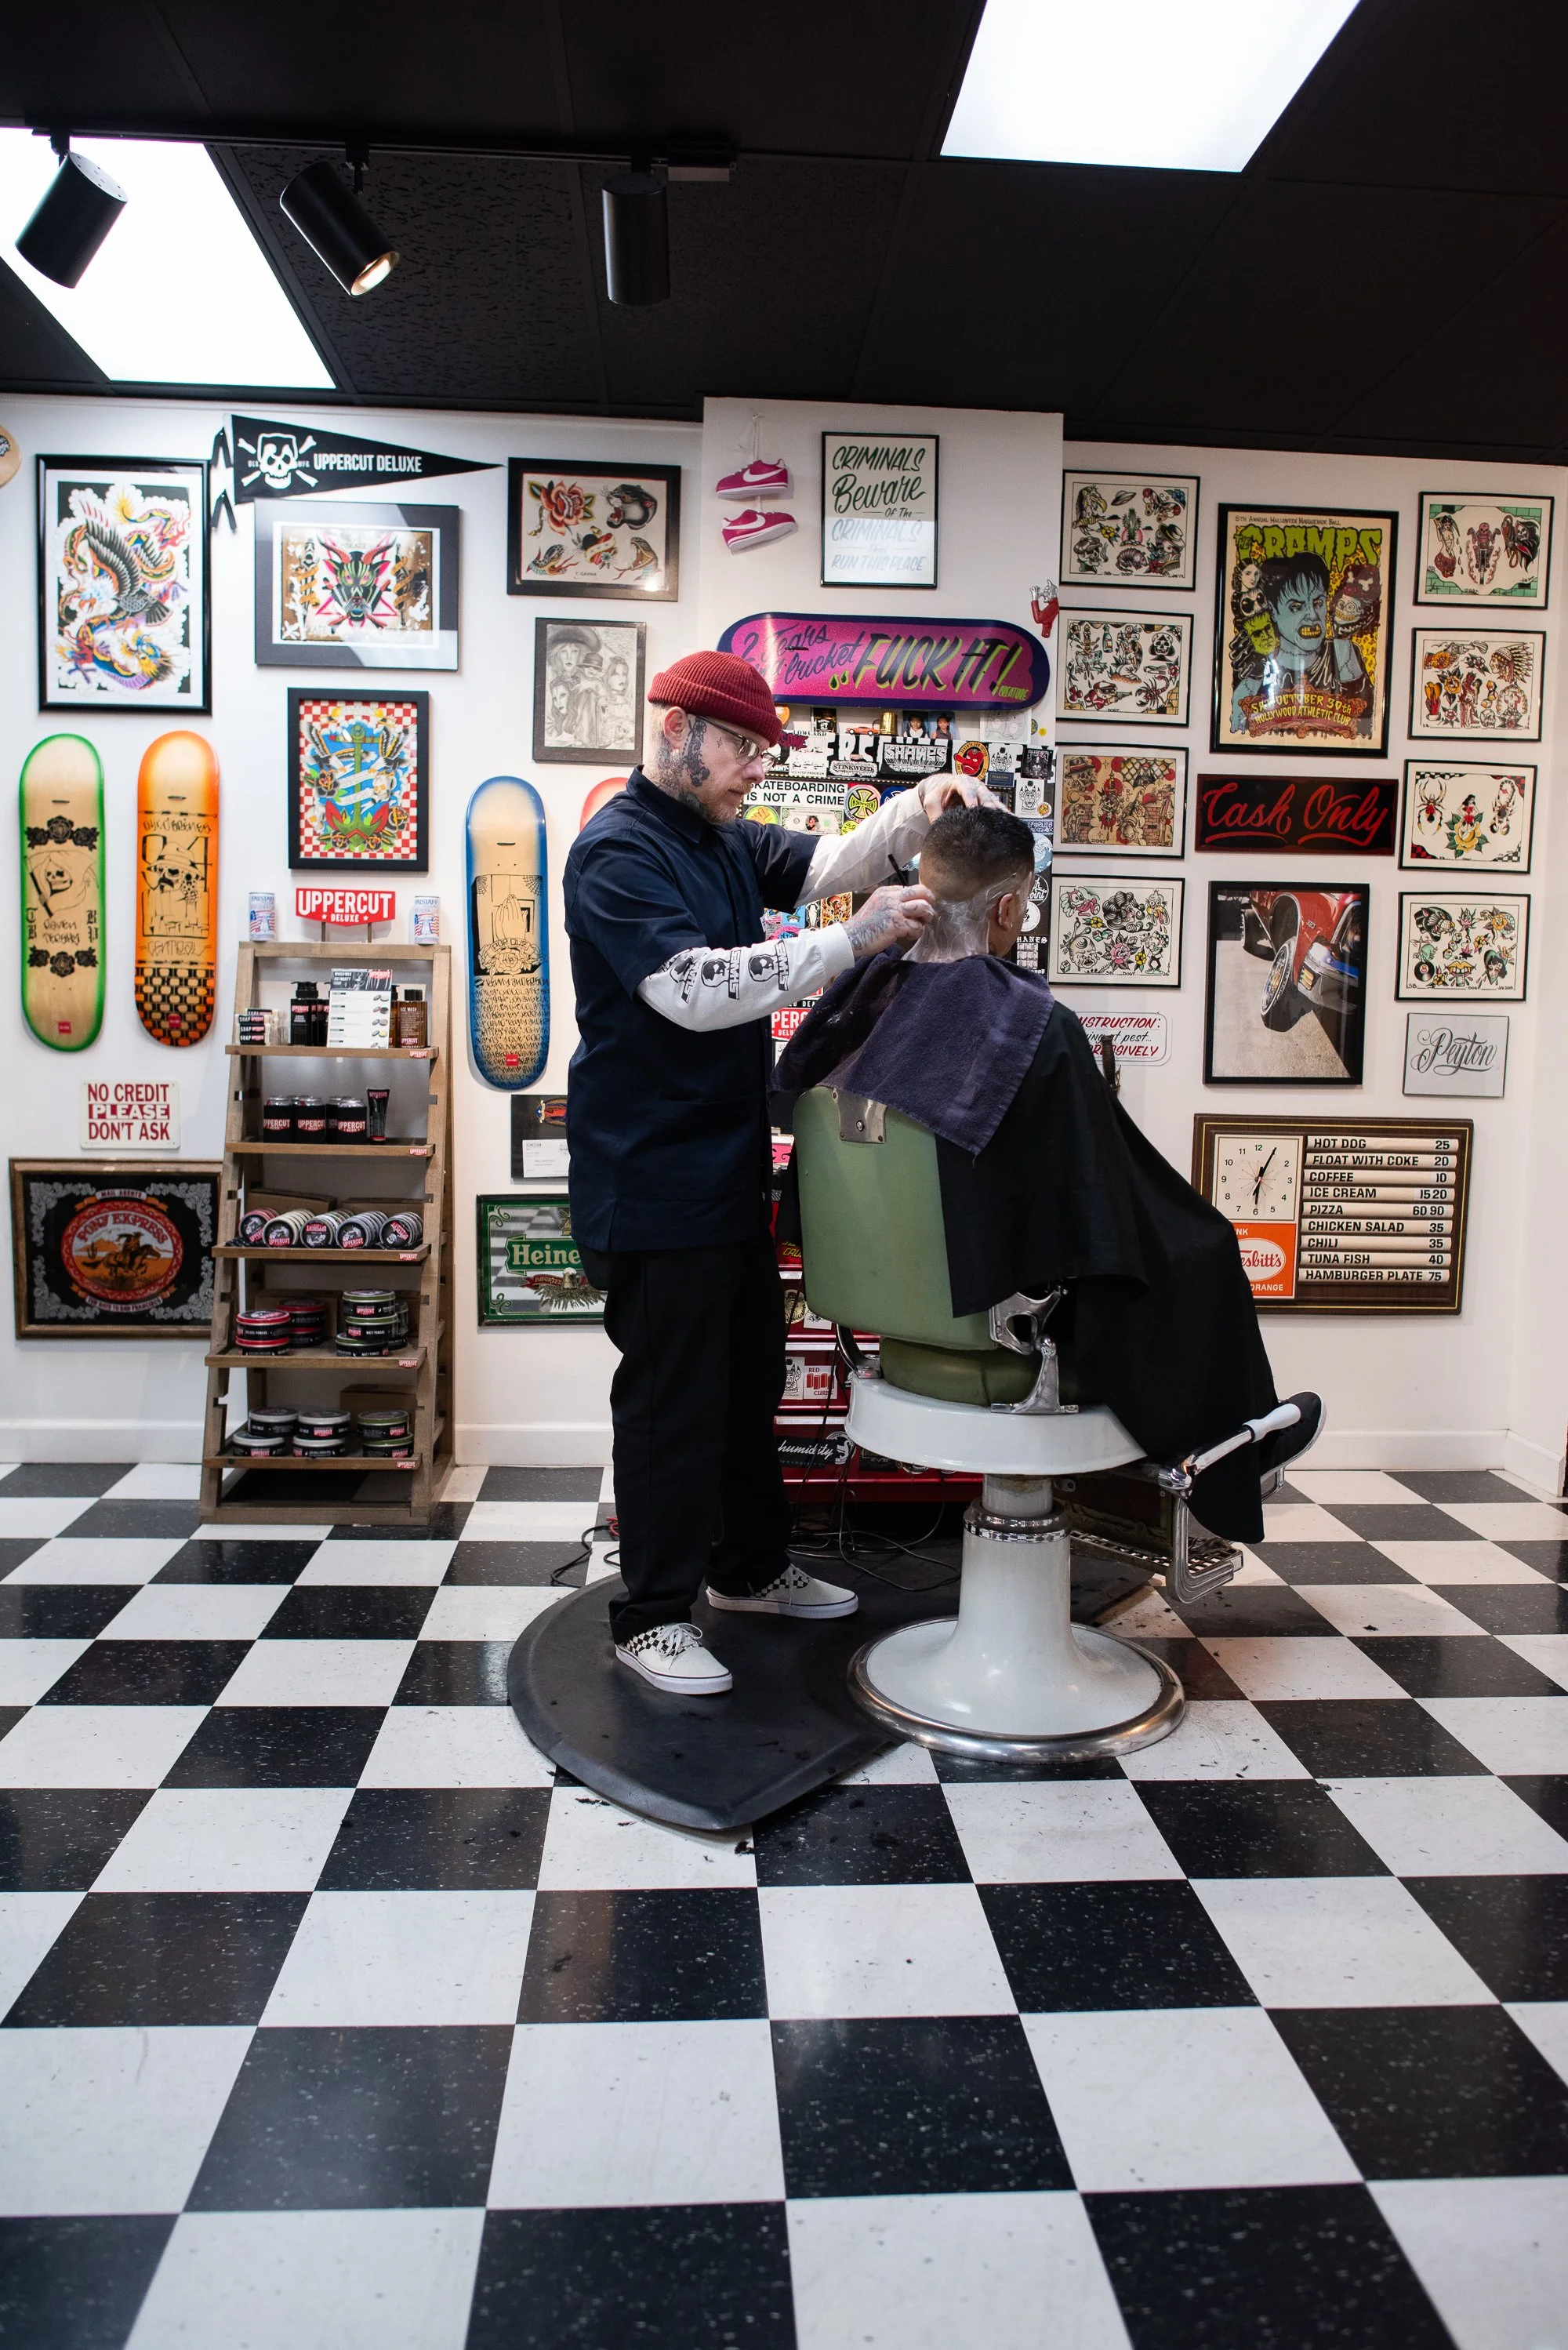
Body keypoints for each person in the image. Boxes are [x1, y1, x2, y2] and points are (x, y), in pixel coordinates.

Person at [562, 648, 991, 1697]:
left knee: (748, 1379)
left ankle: (746, 1567)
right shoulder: (616, 854)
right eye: (744, 748)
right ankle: (651, 1615)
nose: (757, 768)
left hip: (720, 1169)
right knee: (672, 1404)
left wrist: (911, 815)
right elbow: (694, 990)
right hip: (651, 1179)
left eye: (763, 750)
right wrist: (850, 944)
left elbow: (822, 864)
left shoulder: (709, 835)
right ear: (675, 729)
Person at [775, 804, 1320, 1541]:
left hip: (890, 1318)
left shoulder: (859, 1009)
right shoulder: (1030, 1027)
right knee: (1205, 1247)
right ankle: (1227, 1450)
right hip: (998, 1328)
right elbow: (1099, 1199)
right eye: (1024, 906)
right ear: (1007, 907)